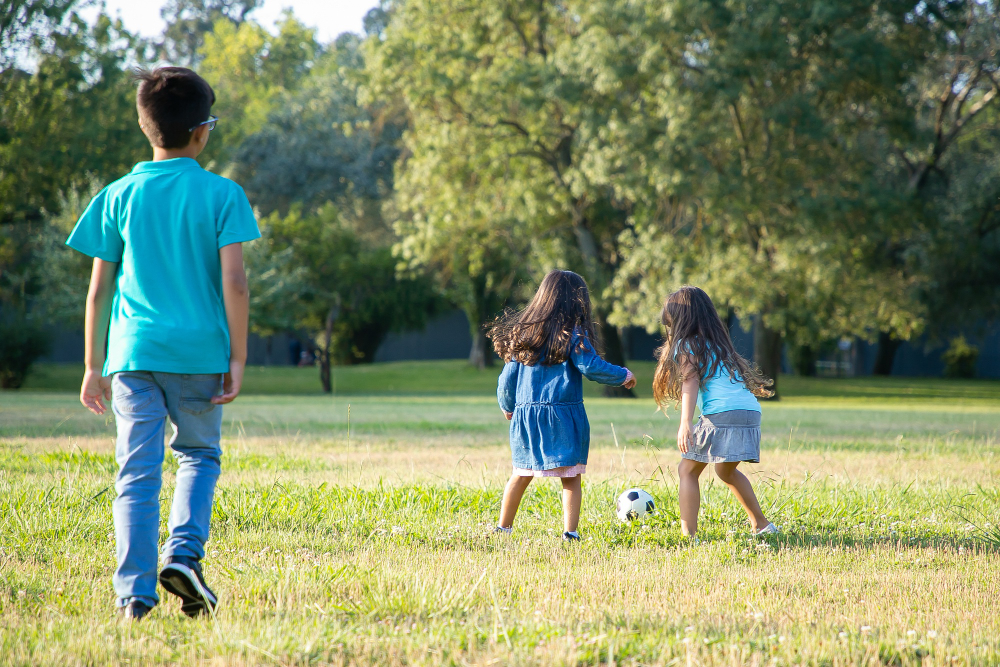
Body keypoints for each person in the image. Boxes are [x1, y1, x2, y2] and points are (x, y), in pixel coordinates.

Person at [67, 67, 260, 621]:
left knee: (137, 472)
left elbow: (99, 288)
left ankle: (134, 595)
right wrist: (239, 356)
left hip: (132, 356)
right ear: (202, 132)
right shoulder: (223, 194)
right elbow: (236, 283)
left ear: (143, 125)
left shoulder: (118, 195)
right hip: (200, 354)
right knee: (198, 455)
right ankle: (183, 556)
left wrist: (91, 365)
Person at [487, 270, 637, 541]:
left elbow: (507, 378)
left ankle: (503, 528)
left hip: (526, 418)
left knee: (520, 474)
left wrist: (507, 405)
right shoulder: (573, 335)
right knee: (570, 477)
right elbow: (590, 366)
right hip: (562, 418)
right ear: (576, 302)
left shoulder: (524, 334)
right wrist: (623, 375)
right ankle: (570, 533)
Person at [652, 286, 778, 539]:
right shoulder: (718, 345)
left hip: (722, 414)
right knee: (725, 471)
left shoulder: (688, 345)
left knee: (687, 470)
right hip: (750, 412)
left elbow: (690, 381)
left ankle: (689, 535)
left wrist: (685, 422)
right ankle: (762, 525)